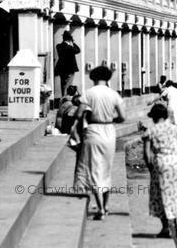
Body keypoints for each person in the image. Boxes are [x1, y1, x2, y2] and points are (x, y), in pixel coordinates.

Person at [74, 66, 126, 220]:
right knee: (106, 168)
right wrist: (111, 119)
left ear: (93, 78)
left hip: (94, 131)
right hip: (109, 131)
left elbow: (78, 113)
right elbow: (123, 117)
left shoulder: (89, 93)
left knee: (95, 167)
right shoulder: (113, 94)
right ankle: (107, 204)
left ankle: (101, 208)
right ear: (108, 78)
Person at [143, 103, 177, 240]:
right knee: (175, 193)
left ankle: (166, 227)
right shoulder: (175, 129)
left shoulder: (150, 131)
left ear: (154, 117)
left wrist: (151, 168)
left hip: (161, 163)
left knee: (160, 195)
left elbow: (146, 154)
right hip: (176, 162)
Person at [55, 31, 81, 96]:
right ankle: (66, 98)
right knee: (68, 85)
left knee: (63, 84)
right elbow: (77, 50)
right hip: (70, 69)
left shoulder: (59, 46)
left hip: (62, 69)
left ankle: (63, 96)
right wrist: (73, 43)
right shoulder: (69, 47)